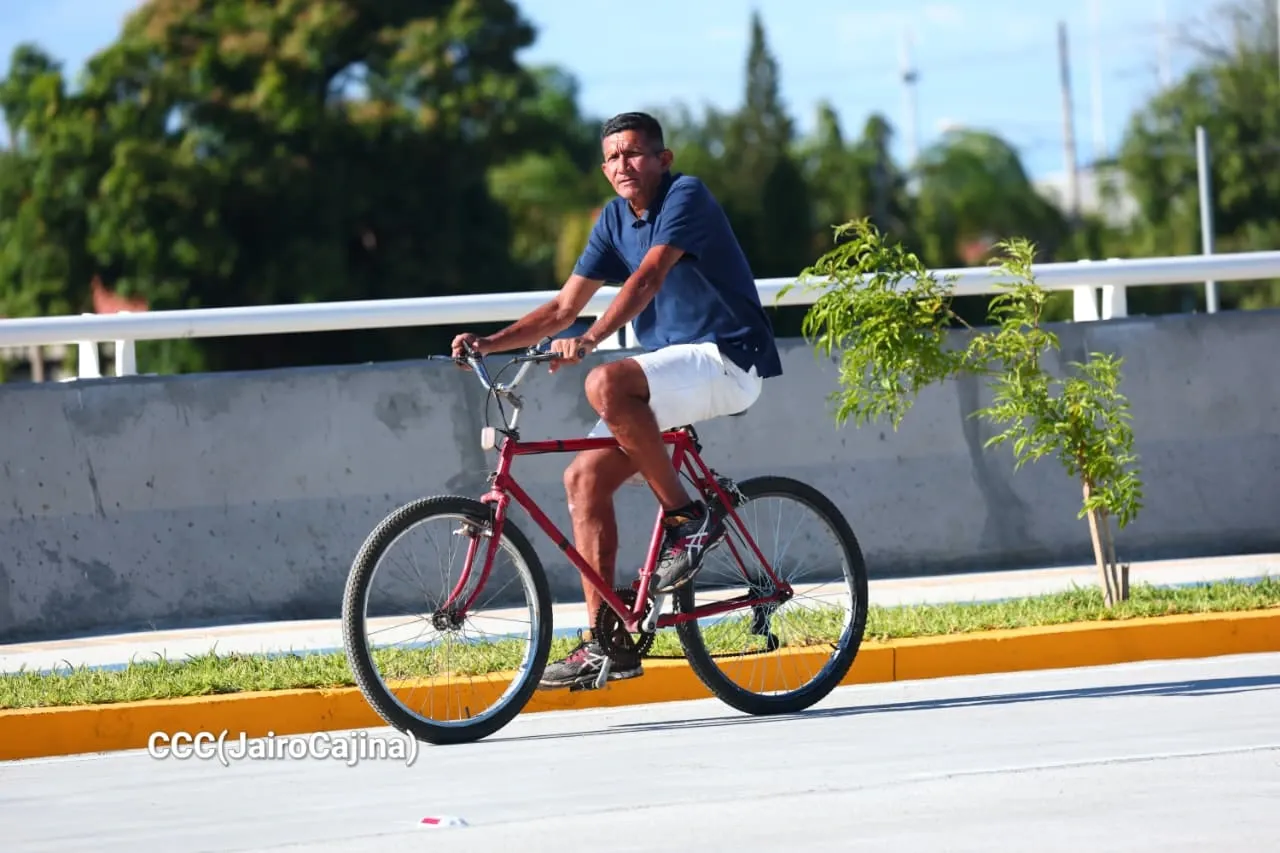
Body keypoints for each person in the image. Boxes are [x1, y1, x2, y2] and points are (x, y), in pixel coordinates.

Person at [451, 111, 783, 690]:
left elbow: (648, 278)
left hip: (727, 359)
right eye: (612, 158)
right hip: (667, 374)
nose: (622, 165)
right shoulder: (612, 219)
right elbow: (560, 310)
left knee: (604, 382)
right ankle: (610, 643)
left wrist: (591, 339)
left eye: (633, 153)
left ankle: (689, 518)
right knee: (583, 480)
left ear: (662, 159)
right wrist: (489, 341)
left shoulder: (686, 197)